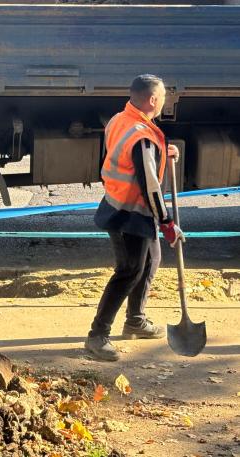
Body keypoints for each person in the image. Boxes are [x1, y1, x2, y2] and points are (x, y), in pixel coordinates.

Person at [85, 74, 185, 361]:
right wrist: (167, 223)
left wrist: (162, 150)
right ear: (153, 100)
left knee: (152, 260)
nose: (166, 99)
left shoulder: (121, 119)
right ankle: (97, 336)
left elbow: (127, 155)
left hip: (118, 204)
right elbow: (150, 187)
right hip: (130, 212)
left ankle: (135, 320)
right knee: (129, 271)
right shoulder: (142, 137)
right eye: (164, 95)